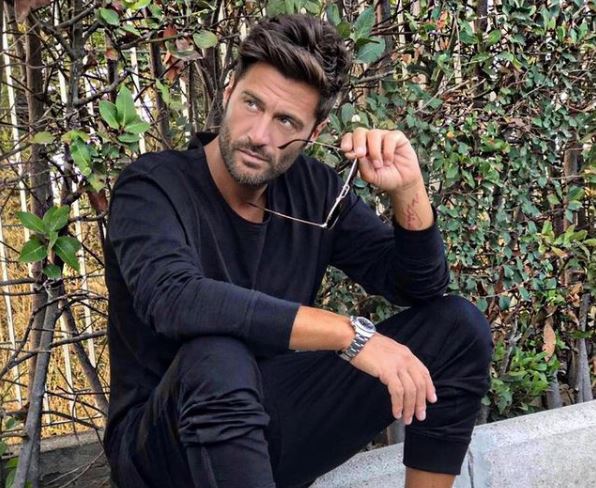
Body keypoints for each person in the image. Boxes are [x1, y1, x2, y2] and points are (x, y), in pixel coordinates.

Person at [103, 13, 493, 488]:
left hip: (268, 423)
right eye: (252, 104)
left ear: (314, 130)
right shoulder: (152, 187)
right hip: (165, 450)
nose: (259, 135)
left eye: (285, 120)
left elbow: (421, 288)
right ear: (228, 93)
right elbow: (175, 299)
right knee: (218, 357)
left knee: (459, 328)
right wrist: (349, 335)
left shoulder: (314, 191)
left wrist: (408, 190)